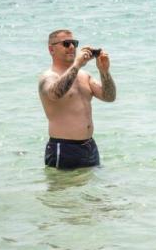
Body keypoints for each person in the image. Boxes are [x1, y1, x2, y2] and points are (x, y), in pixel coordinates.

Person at [38, 29, 116, 169]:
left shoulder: (84, 76)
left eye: (74, 43)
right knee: (62, 190)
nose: (72, 47)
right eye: (66, 44)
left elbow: (109, 97)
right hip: (64, 148)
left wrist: (104, 71)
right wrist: (77, 64)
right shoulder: (48, 77)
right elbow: (55, 94)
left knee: (89, 190)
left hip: (89, 146)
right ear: (51, 49)